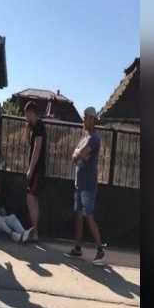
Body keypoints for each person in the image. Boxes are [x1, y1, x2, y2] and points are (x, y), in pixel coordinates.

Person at [65, 107, 106, 265]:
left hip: (88, 185)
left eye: (86, 117)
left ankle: (100, 251)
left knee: (89, 217)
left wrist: (79, 154)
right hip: (79, 184)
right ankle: (77, 249)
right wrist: (78, 154)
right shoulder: (85, 137)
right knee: (79, 216)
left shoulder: (94, 138)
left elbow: (80, 154)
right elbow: (75, 156)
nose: (83, 119)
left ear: (92, 119)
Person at [23, 102, 46, 241]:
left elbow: (37, 150)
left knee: (30, 197)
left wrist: (31, 169)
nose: (26, 118)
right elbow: (29, 145)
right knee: (33, 198)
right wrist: (27, 132)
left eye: (27, 115)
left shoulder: (39, 127)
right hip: (36, 168)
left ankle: (35, 231)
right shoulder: (34, 127)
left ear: (32, 113)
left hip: (37, 169)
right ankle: (34, 231)